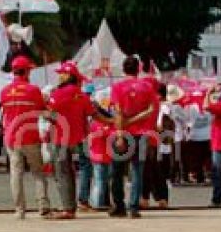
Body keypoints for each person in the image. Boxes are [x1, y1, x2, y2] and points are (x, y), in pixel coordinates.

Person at [0, 55, 51, 219]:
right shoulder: (33, 90)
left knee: (16, 174)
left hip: (11, 138)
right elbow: (44, 111)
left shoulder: (4, 91)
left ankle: (19, 210)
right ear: (27, 71)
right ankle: (43, 206)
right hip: (30, 137)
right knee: (38, 173)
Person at [45, 61, 96, 220]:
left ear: (68, 76)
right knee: (71, 173)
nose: (59, 76)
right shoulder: (81, 94)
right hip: (77, 138)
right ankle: (71, 206)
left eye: (61, 73)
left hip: (60, 138)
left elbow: (50, 115)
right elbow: (92, 114)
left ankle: (68, 209)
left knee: (62, 173)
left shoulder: (58, 94)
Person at [108, 56, 157, 218]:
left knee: (117, 172)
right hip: (141, 133)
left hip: (123, 132)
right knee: (137, 171)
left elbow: (118, 112)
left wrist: (122, 132)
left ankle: (119, 205)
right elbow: (150, 110)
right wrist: (135, 120)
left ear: (123, 69)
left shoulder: (118, 87)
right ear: (138, 69)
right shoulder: (147, 87)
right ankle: (134, 207)